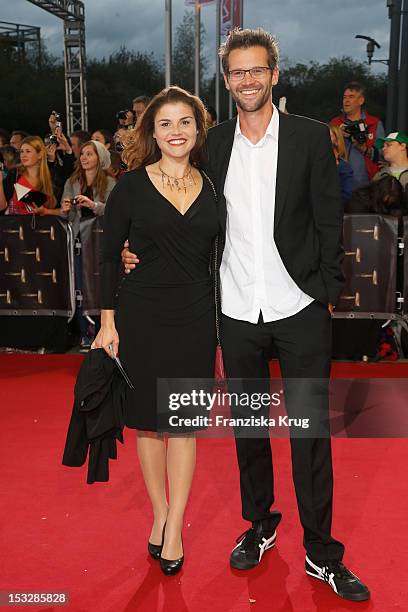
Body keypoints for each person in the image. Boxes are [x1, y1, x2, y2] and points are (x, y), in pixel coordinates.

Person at [122, 28, 370, 601]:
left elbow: (330, 220)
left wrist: (326, 293)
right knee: (251, 429)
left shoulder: (311, 138)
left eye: (258, 70)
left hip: (300, 306)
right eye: (237, 72)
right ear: (227, 80)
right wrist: (139, 251)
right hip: (236, 310)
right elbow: (179, 205)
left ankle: (321, 552)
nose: (248, 80)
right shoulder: (214, 143)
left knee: (310, 433)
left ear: (275, 75)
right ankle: (259, 525)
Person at [92, 86, 218, 576]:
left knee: (182, 426)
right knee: (148, 421)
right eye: (165, 123)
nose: (175, 131)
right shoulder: (130, 186)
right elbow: (107, 255)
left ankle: (176, 524)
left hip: (194, 317)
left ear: (197, 128)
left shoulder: (211, 186)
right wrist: (108, 321)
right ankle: (160, 512)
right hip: (141, 314)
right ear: (152, 131)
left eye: (184, 121)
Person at [61, 140, 116, 350]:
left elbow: (114, 211)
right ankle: (85, 332)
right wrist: (65, 209)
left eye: (89, 154)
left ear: (99, 157)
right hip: (78, 241)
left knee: (102, 284)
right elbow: (63, 214)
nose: (84, 158)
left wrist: (93, 205)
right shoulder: (72, 181)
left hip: (102, 240)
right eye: (82, 154)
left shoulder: (110, 183)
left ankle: (106, 328)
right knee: (80, 286)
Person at [331, 82, 384, 188]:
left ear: (361, 100)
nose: (346, 101)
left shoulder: (374, 123)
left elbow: (383, 154)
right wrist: (337, 136)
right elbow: (324, 152)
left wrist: (364, 148)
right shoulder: (335, 123)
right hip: (339, 183)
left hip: (366, 185)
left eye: (351, 97)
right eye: (344, 97)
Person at [0, 135, 56, 214]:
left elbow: (61, 210)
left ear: (39, 155)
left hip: (43, 225)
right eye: (22, 151)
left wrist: (45, 211)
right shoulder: (14, 174)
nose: (23, 155)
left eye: (28, 151)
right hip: (15, 225)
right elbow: (1, 206)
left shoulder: (49, 176)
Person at [329, 124, 354, 204]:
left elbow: (346, 195)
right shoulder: (316, 162)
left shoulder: (344, 167)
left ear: (337, 141)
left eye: (328, 135)